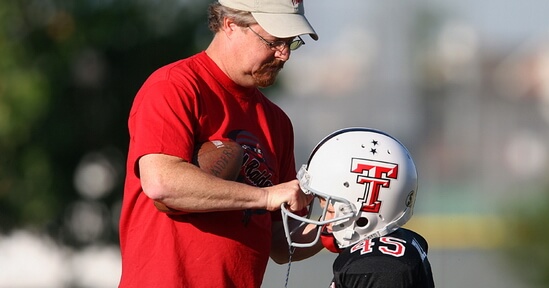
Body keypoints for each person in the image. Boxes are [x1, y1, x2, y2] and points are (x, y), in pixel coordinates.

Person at [118, 0, 323, 287]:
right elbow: (161, 183)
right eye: (274, 41)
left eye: (291, 42)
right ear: (230, 24)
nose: (285, 54)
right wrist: (264, 197)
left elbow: (281, 242)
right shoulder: (173, 86)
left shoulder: (277, 122)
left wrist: (338, 226)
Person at [281, 127, 435, 288]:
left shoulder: (376, 265)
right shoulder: (394, 248)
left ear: (364, 213)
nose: (324, 220)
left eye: (329, 209)